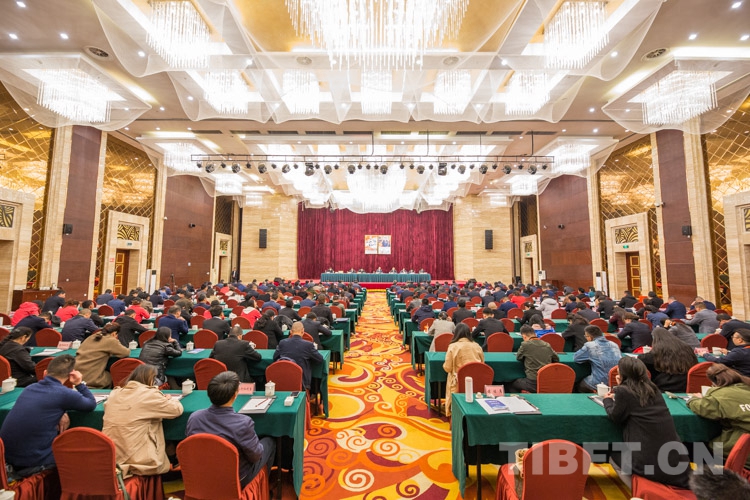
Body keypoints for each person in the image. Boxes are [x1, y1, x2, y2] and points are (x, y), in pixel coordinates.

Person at [0, 354, 96, 479]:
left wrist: (62, 411)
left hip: (6, 459)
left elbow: (47, 404)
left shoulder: (29, 388)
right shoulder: (64, 394)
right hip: (32, 463)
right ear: (70, 376)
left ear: (45, 373)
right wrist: (79, 384)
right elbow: (91, 404)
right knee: (77, 451)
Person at [602, 357, 691, 489]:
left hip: (647, 461)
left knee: (613, 456)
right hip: (676, 459)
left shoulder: (623, 391)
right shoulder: (653, 388)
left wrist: (607, 400)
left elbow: (615, 416)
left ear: (623, 375)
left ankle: (642, 490)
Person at [186, 371, 276, 488]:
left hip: (202, 473)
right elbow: (256, 456)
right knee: (269, 442)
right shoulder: (243, 423)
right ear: (235, 395)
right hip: (236, 478)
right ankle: (263, 489)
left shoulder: (194, 418)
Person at [102, 364, 183, 477]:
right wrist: (170, 399)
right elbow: (176, 410)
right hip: (138, 458)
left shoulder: (115, 393)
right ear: (151, 379)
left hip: (111, 454)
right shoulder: (149, 394)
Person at [687, 364, 750, 468]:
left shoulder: (721, 394)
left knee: (691, 446)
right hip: (743, 453)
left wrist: (693, 399)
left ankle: (708, 477)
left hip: (739, 456)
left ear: (715, 383)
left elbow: (703, 407)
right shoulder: (746, 387)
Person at [637, 327, 698, 392]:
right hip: (688, 384)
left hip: (665, 386)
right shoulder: (686, 347)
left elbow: (642, 359)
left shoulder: (659, 350)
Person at [442, 323, 484, 416]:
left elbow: (447, 368)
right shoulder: (477, 346)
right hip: (476, 381)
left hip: (458, 382)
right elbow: (482, 364)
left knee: (450, 375)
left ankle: (453, 412)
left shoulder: (453, 346)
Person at [74, 323, 131, 388]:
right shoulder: (110, 340)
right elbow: (126, 352)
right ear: (114, 333)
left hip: (77, 375)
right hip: (92, 379)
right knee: (114, 376)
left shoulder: (91, 337)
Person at [274, 322, 323, 391]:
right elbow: (320, 359)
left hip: (284, 378)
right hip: (302, 381)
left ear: (291, 332)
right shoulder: (308, 345)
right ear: (303, 331)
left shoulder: (282, 342)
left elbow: (275, 357)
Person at [509, 325, 559, 393]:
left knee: (512, 384)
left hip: (532, 382)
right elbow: (556, 359)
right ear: (535, 334)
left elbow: (519, 357)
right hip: (546, 380)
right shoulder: (547, 345)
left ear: (524, 336)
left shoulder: (525, 345)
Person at [574, 325, 622, 392]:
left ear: (590, 337)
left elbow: (576, 358)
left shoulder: (590, 346)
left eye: (586, 336)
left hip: (600, 382)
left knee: (579, 384)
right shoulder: (614, 344)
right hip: (616, 381)